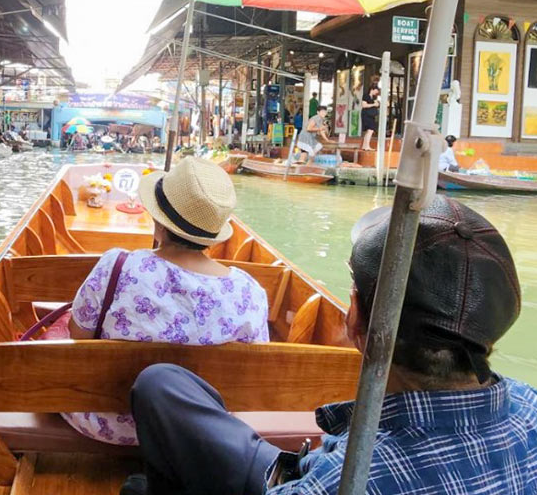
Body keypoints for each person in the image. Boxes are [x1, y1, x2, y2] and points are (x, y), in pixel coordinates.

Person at [124, 195, 536, 495]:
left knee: (158, 391)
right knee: (164, 384)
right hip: (305, 464)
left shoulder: (347, 480)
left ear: (354, 317)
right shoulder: (529, 404)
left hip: (304, 477)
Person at [63, 157, 270, 446]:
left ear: (159, 221)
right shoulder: (251, 292)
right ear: (212, 235)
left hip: (105, 423)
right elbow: (250, 370)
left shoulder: (117, 265)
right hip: (201, 432)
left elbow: (78, 338)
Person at [361, 84, 381, 151]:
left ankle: (365, 145)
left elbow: (376, 104)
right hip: (366, 115)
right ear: (372, 89)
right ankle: (367, 146)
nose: (376, 92)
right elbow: (364, 105)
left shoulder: (373, 98)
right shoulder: (366, 96)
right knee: (370, 130)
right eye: (376, 91)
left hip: (371, 115)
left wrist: (377, 104)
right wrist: (373, 104)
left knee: (369, 131)